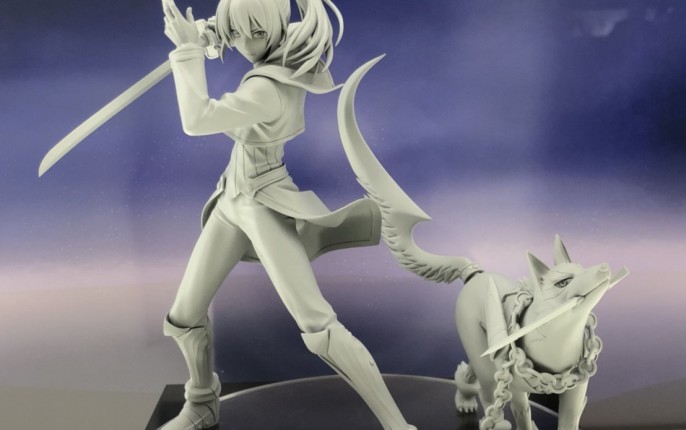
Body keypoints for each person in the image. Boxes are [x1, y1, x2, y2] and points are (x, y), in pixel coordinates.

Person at [161, 0, 416, 429]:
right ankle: (201, 402)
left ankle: (397, 425)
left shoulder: (268, 87)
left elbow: (197, 119)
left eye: (256, 34)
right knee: (184, 316)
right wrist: (213, 32)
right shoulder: (283, 49)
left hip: (263, 204)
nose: (246, 45)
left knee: (319, 326)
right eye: (239, 34)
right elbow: (248, 30)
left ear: (277, 28)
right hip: (231, 199)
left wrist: (187, 53)